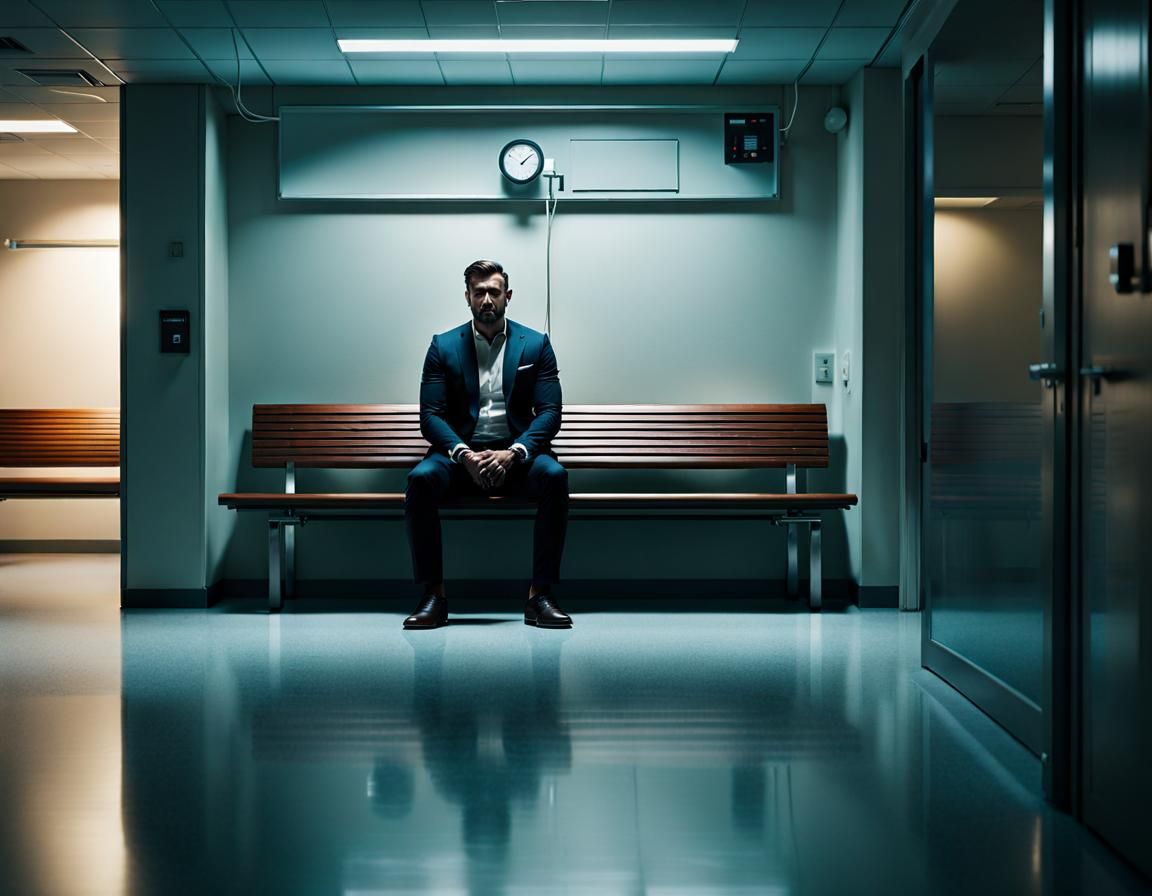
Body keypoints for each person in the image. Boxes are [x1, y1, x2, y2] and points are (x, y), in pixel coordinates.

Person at [403, 260, 571, 630]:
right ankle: (434, 596)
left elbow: (549, 413)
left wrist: (514, 453)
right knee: (419, 480)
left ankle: (539, 596)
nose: (487, 299)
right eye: (478, 292)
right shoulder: (443, 346)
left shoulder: (536, 345)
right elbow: (430, 416)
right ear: (467, 297)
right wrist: (463, 455)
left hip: (517, 460)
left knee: (555, 476)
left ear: (507, 296)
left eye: (494, 291)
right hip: (460, 460)